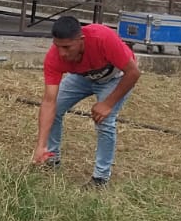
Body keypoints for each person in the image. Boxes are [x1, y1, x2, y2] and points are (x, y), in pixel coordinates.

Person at [33, 13, 141, 186]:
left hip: (116, 77)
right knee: (56, 108)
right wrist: (41, 145)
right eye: (57, 46)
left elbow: (133, 73)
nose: (62, 53)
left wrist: (107, 104)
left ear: (81, 40)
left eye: (67, 47)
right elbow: (49, 102)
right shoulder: (54, 57)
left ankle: (100, 178)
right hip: (84, 77)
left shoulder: (102, 37)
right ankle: (51, 159)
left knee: (104, 121)